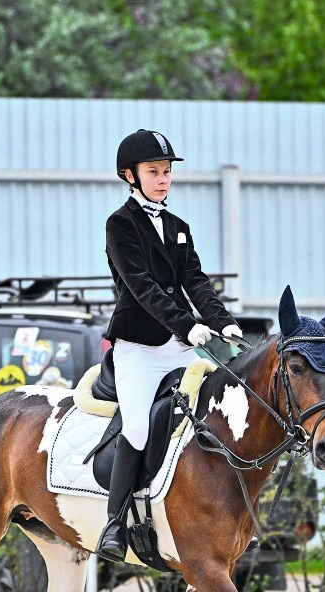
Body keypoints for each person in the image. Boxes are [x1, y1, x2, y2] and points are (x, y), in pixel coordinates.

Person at [95, 129, 242, 562]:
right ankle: (115, 522)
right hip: (139, 347)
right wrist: (188, 324)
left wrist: (223, 321)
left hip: (178, 345)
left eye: (166, 172)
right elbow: (142, 288)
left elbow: (195, 281)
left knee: (216, 412)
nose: (162, 179)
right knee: (138, 427)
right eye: (153, 172)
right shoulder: (120, 225)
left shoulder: (178, 228)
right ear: (130, 176)